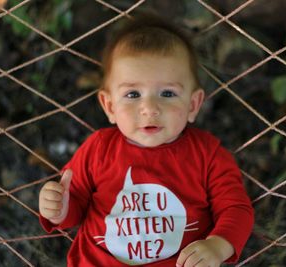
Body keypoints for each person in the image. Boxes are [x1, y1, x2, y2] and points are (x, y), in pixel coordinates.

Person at [38, 14, 254, 267]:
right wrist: (58, 207)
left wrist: (217, 246)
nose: (150, 108)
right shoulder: (98, 149)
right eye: (132, 94)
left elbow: (236, 209)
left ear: (193, 105)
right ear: (109, 106)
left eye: (167, 93)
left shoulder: (207, 155)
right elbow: (73, 205)